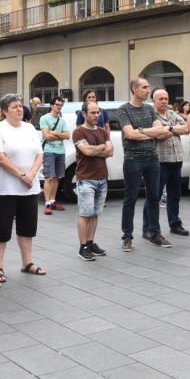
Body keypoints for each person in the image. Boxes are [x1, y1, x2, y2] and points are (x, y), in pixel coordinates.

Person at [0, 94, 46, 281]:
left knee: (27, 227)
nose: (19, 109)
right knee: (2, 229)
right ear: (5, 111)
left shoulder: (30, 128)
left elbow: (40, 154)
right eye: (14, 107)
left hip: (29, 187)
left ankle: (27, 262)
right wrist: (21, 175)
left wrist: (31, 175)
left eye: (20, 106)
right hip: (5, 188)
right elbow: (0, 157)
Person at [119, 77, 174, 251]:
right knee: (131, 198)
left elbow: (162, 131)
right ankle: (127, 237)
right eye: (144, 87)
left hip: (152, 158)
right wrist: (148, 133)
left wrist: (141, 131)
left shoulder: (150, 109)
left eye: (148, 87)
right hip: (133, 159)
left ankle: (154, 233)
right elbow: (130, 135)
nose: (147, 90)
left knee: (154, 197)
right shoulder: (124, 110)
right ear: (134, 89)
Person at [72, 100, 113, 260]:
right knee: (85, 213)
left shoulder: (103, 131)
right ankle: (83, 247)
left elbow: (110, 152)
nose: (97, 115)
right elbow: (86, 151)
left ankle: (90, 242)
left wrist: (96, 149)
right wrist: (102, 147)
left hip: (102, 178)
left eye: (98, 112)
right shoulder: (79, 132)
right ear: (84, 114)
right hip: (86, 179)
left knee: (95, 213)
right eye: (93, 113)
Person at [153, 89, 190, 236]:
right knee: (154, 196)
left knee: (175, 194)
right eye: (160, 99)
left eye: (166, 98)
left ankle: (175, 224)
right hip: (161, 160)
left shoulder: (172, 114)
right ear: (154, 101)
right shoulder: (152, 115)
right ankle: (150, 227)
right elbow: (159, 134)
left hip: (176, 159)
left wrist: (168, 128)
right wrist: (174, 130)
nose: (164, 101)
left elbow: (187, 128)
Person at [39, 96, 71, 215]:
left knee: (57, 177)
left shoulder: (62, 120)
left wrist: (55, 133)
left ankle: (53, 200)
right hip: (49, 151)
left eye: (60, 105)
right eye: (57, 105)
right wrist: (60, 134)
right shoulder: (44, 118)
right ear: (52, 105)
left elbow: (68, 135)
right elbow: (47, 136)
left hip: (61, 151)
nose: (59, 107)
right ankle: (47, 203)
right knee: (49, 177)